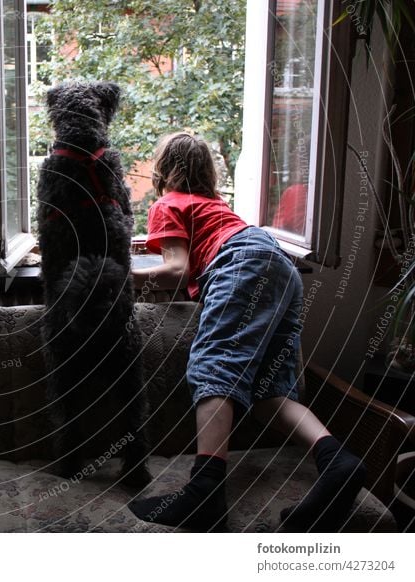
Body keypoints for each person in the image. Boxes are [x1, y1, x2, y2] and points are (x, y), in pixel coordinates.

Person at [128, 131, 366, 532]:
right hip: (277, 262)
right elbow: (190, 251)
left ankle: (204, 492)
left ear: (164, 170)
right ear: (206, 170)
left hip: (241, 265)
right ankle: (337, 459)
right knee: (271, 389)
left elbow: (178, 269)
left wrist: (118, 279)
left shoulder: (168, 202)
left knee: (213, 366)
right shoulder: (214, 205)